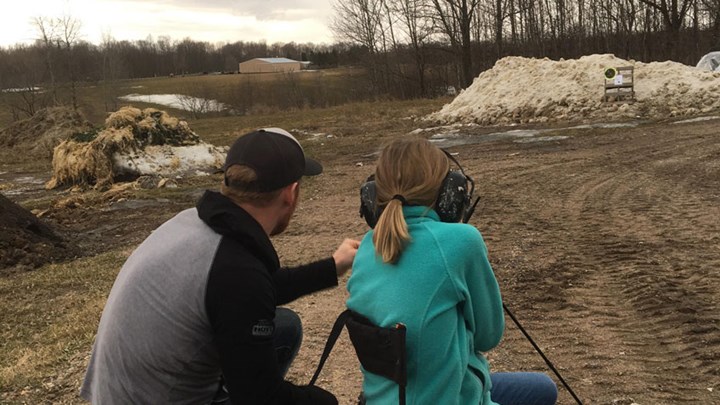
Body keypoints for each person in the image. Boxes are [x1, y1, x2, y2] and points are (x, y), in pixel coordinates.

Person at [81, 127, 360, 404]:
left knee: (284, 327)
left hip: (117, 395)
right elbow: (262, 398)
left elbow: (258, 288)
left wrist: (333, 266)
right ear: (291, 193)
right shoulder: (236, 270)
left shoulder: (195, 224)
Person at [346, 137, 557, 405]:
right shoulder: (462, 241)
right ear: (450, 193)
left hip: (389, 399)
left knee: (539, 388)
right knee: (543, 390)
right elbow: (488, 337)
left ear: (373, 195)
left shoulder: (367, 246)